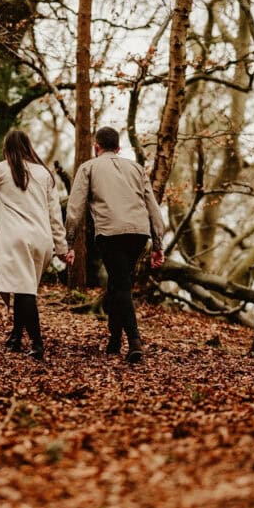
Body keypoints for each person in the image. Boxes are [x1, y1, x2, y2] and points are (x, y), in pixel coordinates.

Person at [64, 126, 165, 363]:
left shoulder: (88, 167)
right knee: (119, 283)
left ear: (96, 147)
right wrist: (158, 244)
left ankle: (134, 341)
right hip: (139, 234)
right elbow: (153, 208)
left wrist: (69, 242)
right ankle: (114, 341)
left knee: (121, 286)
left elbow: (74, 209)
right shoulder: (137, 168)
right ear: (118, 148)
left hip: (110, 233)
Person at [0, 129, 68, 359]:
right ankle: (16, 337)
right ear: (29, 146)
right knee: (23, 286)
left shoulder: (0, 169)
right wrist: (61, 248)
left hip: (16, 239)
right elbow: (55, 214)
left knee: (25, 291)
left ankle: (37, 344)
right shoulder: (45, 173)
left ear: (6, 148)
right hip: (42, 240)